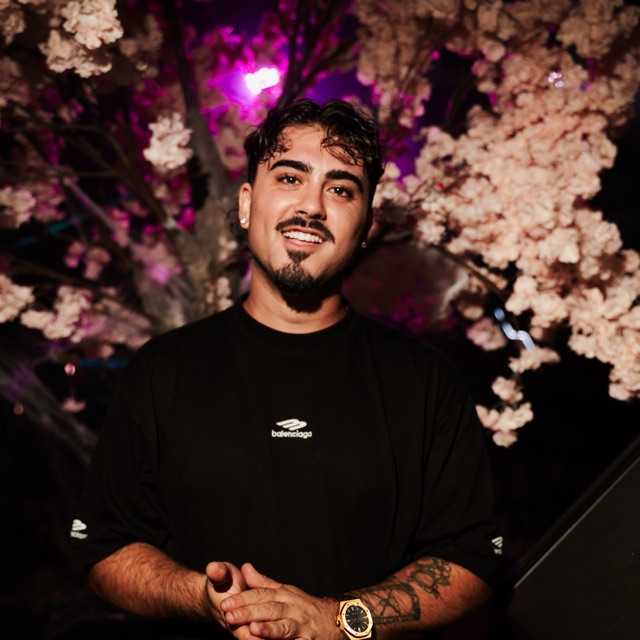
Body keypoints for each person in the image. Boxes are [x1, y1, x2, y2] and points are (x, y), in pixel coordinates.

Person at [70, 99, 502, 640]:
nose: (312, 207)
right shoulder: (162, 371)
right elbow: (104, 547)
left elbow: (472, 559)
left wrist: (335, 621)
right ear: (247, 203)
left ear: (366, 225)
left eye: (340, 190)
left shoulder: (424, 382)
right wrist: (203, 598)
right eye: (290, 178)